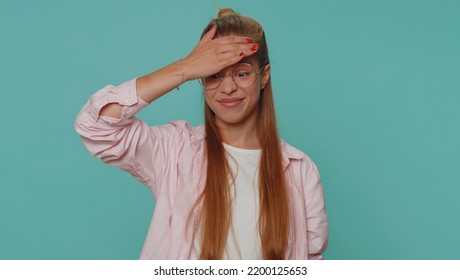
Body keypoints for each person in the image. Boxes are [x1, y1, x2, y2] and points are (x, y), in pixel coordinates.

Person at [75, 8, 328, 260]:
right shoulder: (175, 150)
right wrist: (185, 68)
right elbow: (96, 126)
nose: (228, 88)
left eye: (242, 73)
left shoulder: (300, 170)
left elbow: (311, 260)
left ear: (264, 77)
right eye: (214, 75)